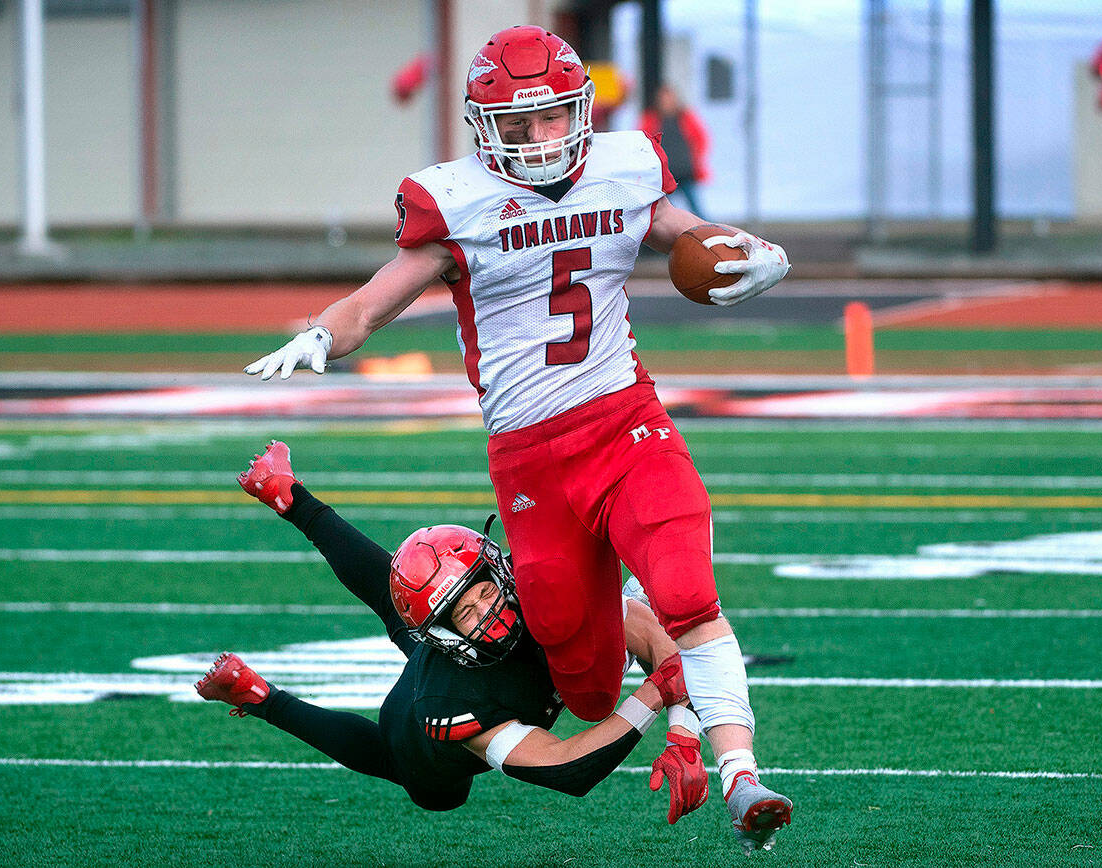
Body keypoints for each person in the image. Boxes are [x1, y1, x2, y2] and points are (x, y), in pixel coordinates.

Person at [242, 25, 792, 853]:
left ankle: (740, 775)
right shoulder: (455, 199)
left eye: (553, 118)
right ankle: (627, 611)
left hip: (624, 420)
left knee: (690, 595)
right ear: (480, 125)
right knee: (588, 685)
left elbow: (684, 229)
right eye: (517, 123)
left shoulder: (625, 164)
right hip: (531, 460)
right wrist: (324, 332)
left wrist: (753, 251)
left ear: (579, 110)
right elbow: (372, 301)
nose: (539, 139)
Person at [197, 441, 708, 824]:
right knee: (412, 774)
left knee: (397, 591)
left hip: (447, 641)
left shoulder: (525, 583)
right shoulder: (453, 703)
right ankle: (262, 697)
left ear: (498, 570)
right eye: (466, 614)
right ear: (442, 636)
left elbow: (656, 641)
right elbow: (567, 768)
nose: (489, 612)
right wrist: (651, 694)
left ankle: (292, 499)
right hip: (426, 715)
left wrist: (683, 731)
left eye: (485, 592)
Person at [638, 84, 711, 218]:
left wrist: (696, 160)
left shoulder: (685, 117)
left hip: (684, 172)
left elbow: (701, 139)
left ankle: (710, 234)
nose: (666, 102)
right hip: (664, 173)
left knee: (697, 210)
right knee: (664, 213)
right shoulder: (652, 119)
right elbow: (641, 141)